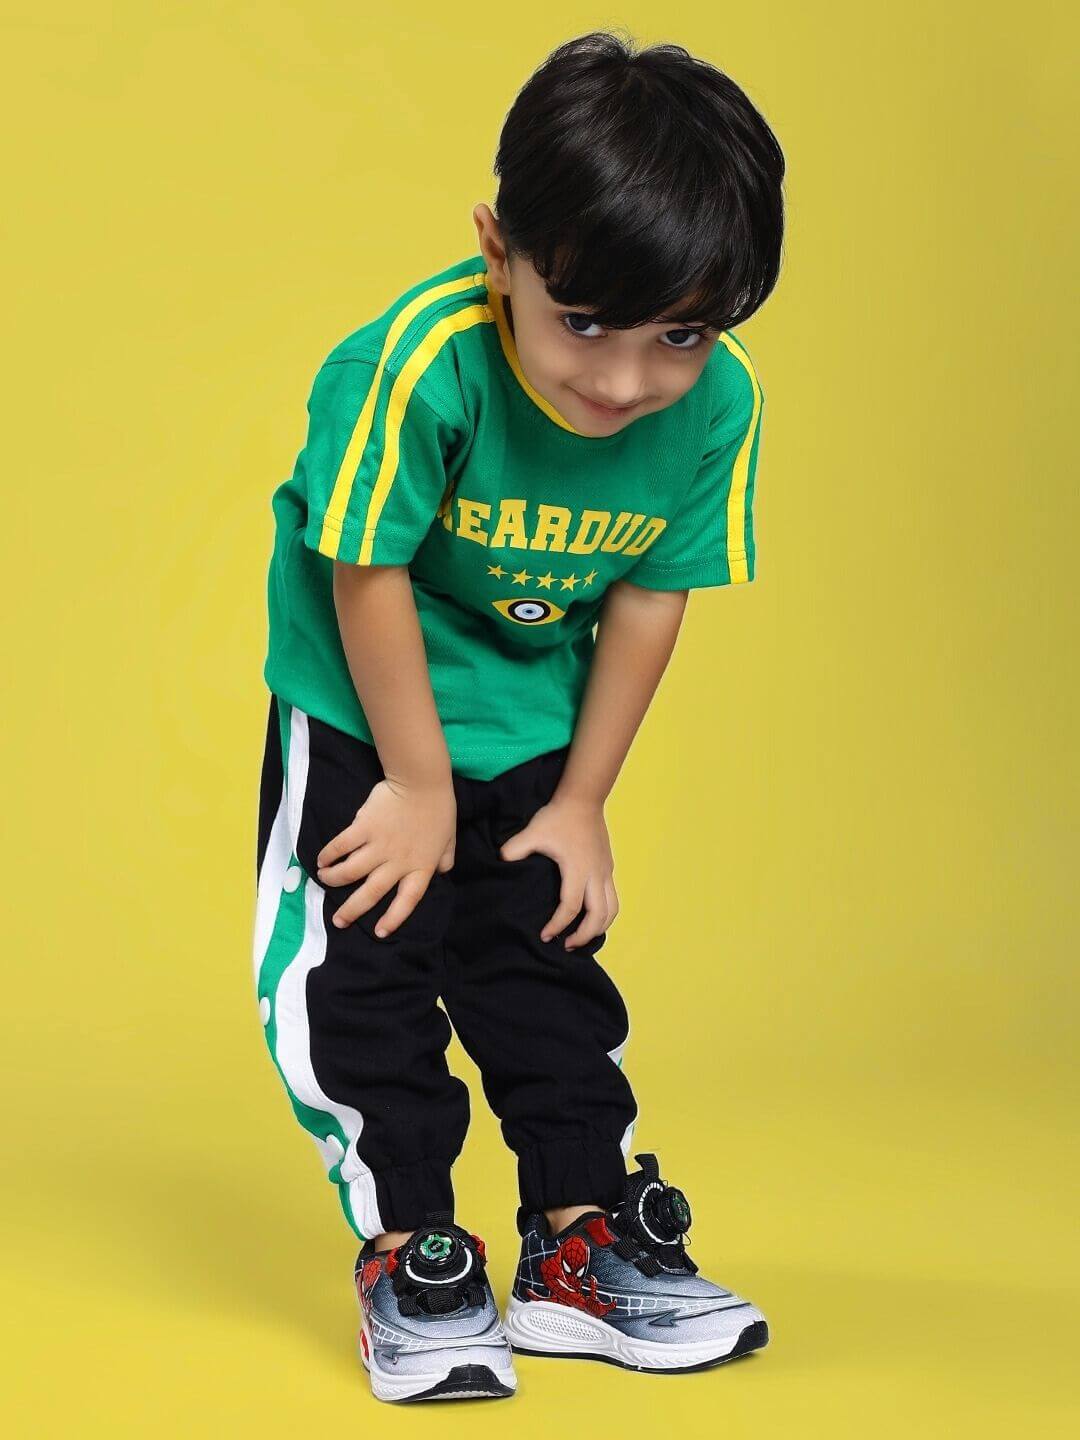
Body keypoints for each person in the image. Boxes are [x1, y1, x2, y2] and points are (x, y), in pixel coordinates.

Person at [253, 28, 785, 1404]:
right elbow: (361, 563)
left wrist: (581, 801)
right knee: (366, 966)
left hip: (532, 711)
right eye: (586, 324)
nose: (622, 384)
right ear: (501, 248)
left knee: (543, 962)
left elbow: (654, 602)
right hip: (369, 714)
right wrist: (418, 787)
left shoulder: (718, 406)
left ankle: (577, 1238)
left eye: (680, 334)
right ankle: (415, 1247)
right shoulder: (419, 363)